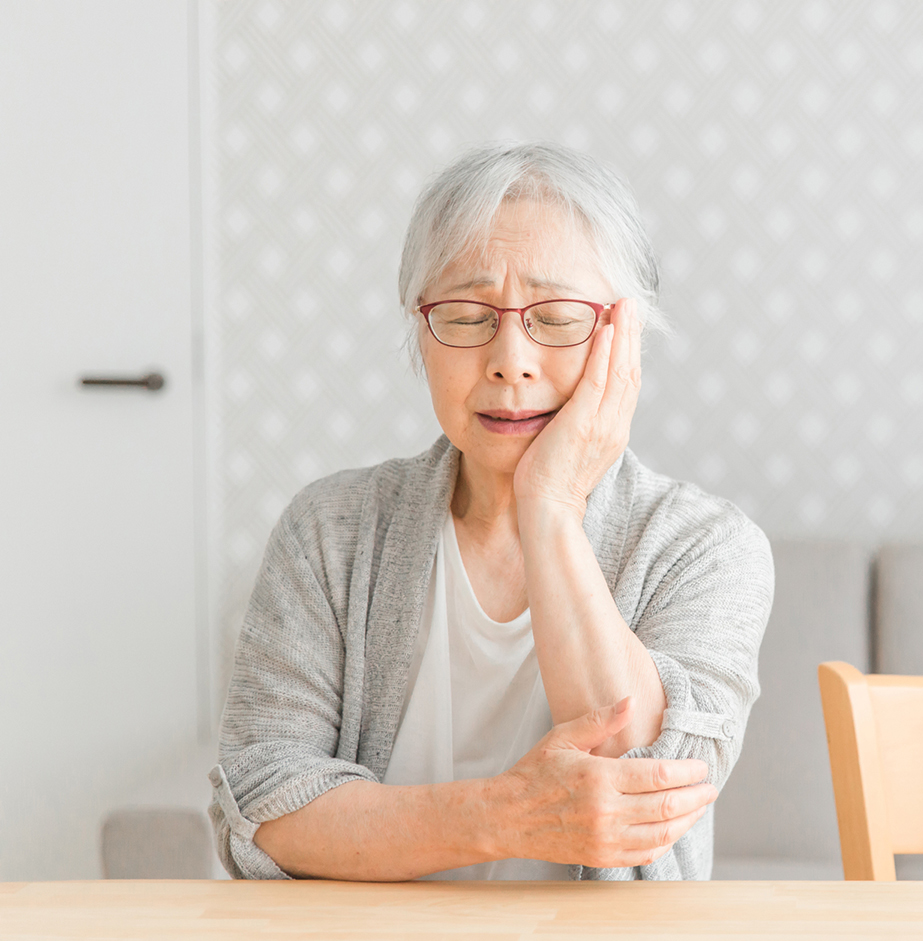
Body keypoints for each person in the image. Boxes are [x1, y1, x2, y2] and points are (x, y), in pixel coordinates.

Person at [209, 141, 773, 881]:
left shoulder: (706, 546)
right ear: (421, 332)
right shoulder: (328, 530)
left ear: (625, 336)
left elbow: (646, 785)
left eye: (558, 317)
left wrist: (551, 507)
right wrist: (502, 816)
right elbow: (261, 802)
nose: (510, 359)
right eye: (468, 315)